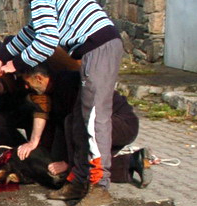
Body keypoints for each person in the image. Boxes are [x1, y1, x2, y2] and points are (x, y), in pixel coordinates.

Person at [0, 0, 124, 206]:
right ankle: (78, 181)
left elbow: (47, 41)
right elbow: (30, 33)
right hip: (96, 51)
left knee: (95, 120)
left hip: (100, 50)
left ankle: (99, 188)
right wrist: (2, 56)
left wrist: (15, 66)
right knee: (77, 119)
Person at [19, 63, 152, 190]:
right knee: (85, 165)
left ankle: (79, 175)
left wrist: (68, 163)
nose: (26, 87)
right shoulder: (53, 90)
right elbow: (53, 122)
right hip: (104, 125)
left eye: (27, 83)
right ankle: (133, 161)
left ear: (39, 78)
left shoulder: (66, 84)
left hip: (120, 124)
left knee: (80, 164)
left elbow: (76, 127)